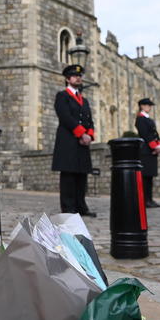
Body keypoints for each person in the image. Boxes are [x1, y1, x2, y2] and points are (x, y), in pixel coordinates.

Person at [52, 63, 96, 216]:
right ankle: (68, 208)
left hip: (83, 142)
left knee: (81, 176)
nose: (78, 78)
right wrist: (81, 133)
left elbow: (89, 119)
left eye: (80, 76)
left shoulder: (84, 100)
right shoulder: (62, 96)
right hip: (68, 141)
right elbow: (65, 117)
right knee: (69, 176)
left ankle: (81, 206)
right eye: (75, 75)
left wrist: (90, 135)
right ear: (67, 78)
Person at [134, 98, 160, 208]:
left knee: (150, 177)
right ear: (141, 106)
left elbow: (155, 134)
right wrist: (154, 146)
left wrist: (159, 144)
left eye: (150, 105)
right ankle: (145, 200)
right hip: (146, 150)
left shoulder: (148, 119)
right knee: (145, 177)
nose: (149, 107)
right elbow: (145, 134)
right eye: (147, 105)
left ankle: (150, 199)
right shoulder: (140, 119)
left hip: (151, 151)